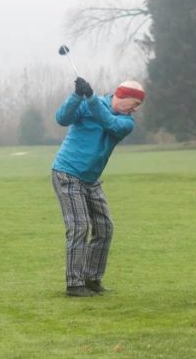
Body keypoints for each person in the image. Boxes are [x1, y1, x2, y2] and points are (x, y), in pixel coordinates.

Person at [51, 77, 145, 297]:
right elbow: (61, 118)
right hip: (67, 172)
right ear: (122, 96)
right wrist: (76, 96)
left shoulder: (126, 122)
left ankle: (92, 278)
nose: (137, 108)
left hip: (91, 179)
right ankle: (74, 284)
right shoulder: (87, 104)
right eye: (135, 102)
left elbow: (108, 122)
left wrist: (90, 98)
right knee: (79, 226)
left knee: (105, 227)